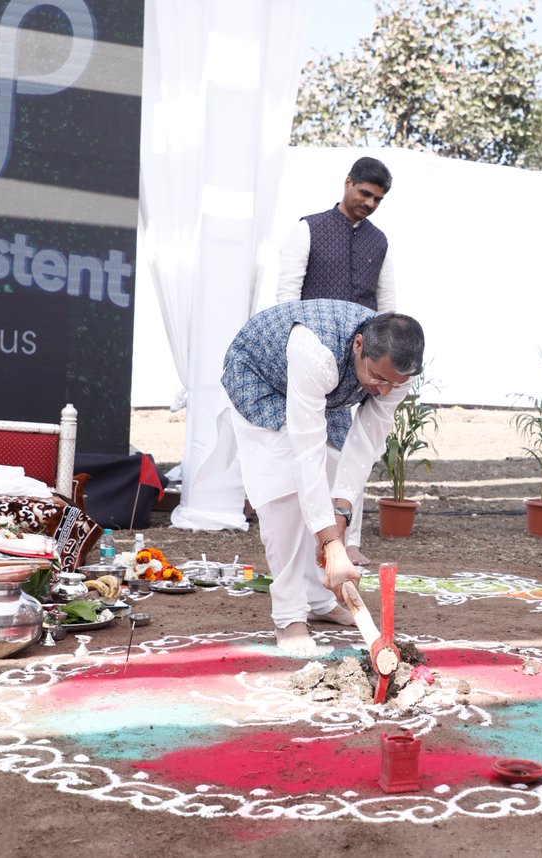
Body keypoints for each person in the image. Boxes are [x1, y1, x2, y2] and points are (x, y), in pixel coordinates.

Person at [217, 300, 424, 654]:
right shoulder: (315, 351)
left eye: (395, 383)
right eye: (377, 378)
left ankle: (319, 600)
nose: (385, 390)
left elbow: (365, 445)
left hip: (322, 391)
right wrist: (330, 543)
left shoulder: (396, 373)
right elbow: (304, 450)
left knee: (332, 469)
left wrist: (340, 515)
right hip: (260, 377)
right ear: (358, 345)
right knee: (283, 495)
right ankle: (289, 616)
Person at [276, 156, 396, 567]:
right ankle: (308, 536)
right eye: (364, 193)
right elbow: (286, 299)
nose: (369, 203)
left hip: (364, 361)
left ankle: (351, 540)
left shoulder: (379, 242)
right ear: (347, 183)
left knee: (355, 447)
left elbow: (388, 309)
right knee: (309, 447)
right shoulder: (307, 229)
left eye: (377, 199)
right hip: (313, 356)